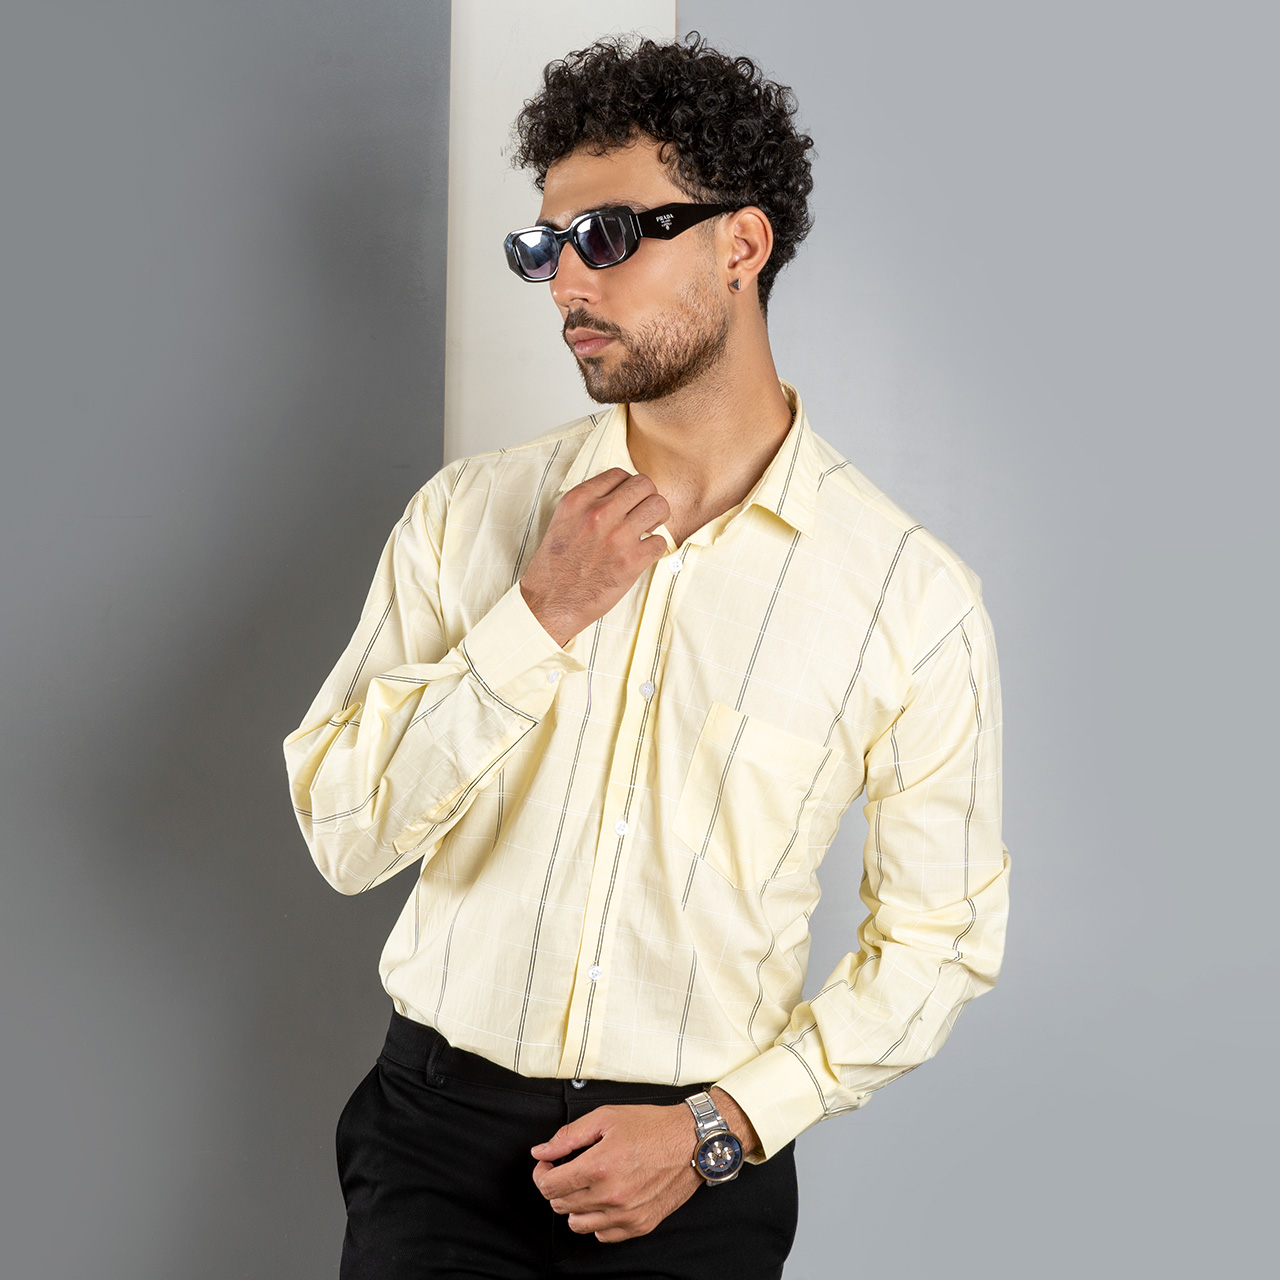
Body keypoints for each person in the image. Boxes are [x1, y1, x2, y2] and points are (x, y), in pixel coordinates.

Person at [284, 31, 1010, 1280]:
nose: (567, 281)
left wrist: (720, 1128)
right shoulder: (467, 518)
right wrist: (536, 619)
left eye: (609, 235)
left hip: (695, 1172)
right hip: (435, 1149)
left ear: (740, 243)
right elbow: (344, 832)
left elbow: (938, 936)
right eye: (545, 247)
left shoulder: (907, 594)